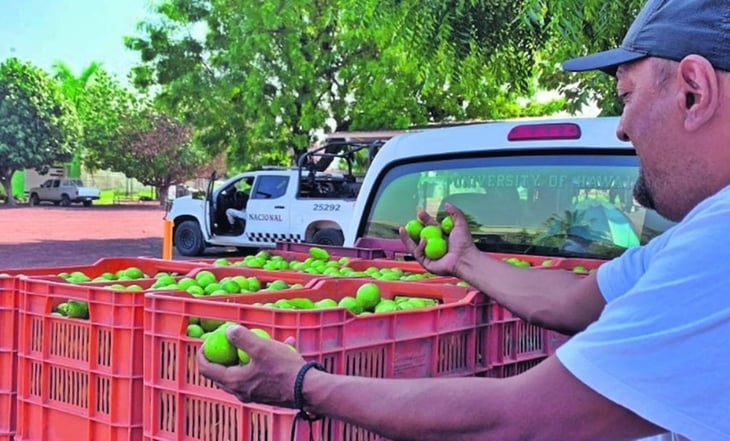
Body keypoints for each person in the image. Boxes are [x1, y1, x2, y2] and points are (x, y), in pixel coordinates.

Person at [198, 0, 730, 439]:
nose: (621, 128)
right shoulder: (701, 234)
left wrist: (302, 385)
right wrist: (468, 261)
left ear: (693, 91)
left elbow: (520, 420)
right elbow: (571, 301)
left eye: (627, 98)